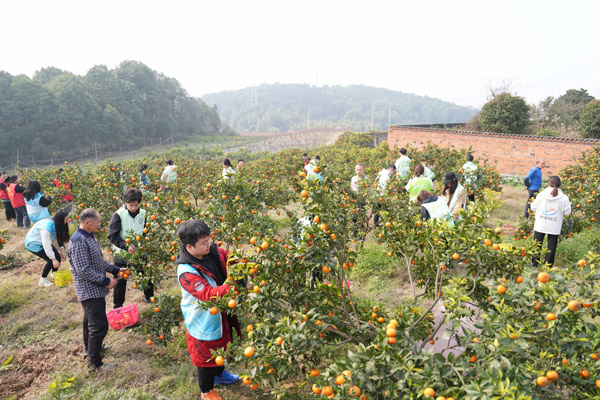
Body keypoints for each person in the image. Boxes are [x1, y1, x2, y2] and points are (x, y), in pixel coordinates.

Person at [176, 220, 242, 400]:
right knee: (205, 355)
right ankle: (206, 391)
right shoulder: (186, 271)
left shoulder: (210, 250)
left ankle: (220, 374)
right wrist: (234, 287)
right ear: (189, 246)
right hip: (202, 317)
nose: (209, 244)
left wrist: (240, 262)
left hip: (220, 311)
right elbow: (207, 293)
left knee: (221, 345)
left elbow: (226, 255)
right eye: (203, 243)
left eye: (209, 240)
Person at [68, 208, 127, 371]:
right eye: (98, 222)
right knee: (99, 325)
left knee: (89, 321)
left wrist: (115, 270)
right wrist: (105, 281)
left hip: (94, 289)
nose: (100, 225)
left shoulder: (89, 237)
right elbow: (84, 269)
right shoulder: (79, 241)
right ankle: (95, 364)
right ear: (87, 222)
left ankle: (91, 350)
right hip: (89, 290)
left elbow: (98, 262)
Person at [108, 188, 154, 308]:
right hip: (122, 254)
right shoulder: (118, 215)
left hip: (140, 251)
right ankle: (118, 306)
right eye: (131, 205)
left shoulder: (144, 214)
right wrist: (125, 246)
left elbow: (146, 231)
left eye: (136, 205)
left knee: (145, 275)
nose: (133, 208)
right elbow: (112, 236)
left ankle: (149, 297)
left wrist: (145, 242)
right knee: (121, 280)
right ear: (125, 203)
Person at [530, 176, 571, 268]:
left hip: (540, 223)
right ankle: (548, 265)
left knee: (537, 244)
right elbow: (567, 212)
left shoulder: (541, 194)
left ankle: (534, 264)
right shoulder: (564, 198)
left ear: (548, 183)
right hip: (554, 225)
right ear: (559, 185)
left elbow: (533, 207)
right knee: (551, 246)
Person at [25, 209, 70, 287]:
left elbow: (59, 237)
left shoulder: (57, 224)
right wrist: (53, 259)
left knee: (58, 258)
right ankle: (43, 280)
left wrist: (62, 251)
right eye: (66, 219)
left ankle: (54, 274)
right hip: (33, 244)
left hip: (43, 242)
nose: (67, 220)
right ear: (60, 219)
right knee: (50, 261)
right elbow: (46, 244)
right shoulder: (46, 227)